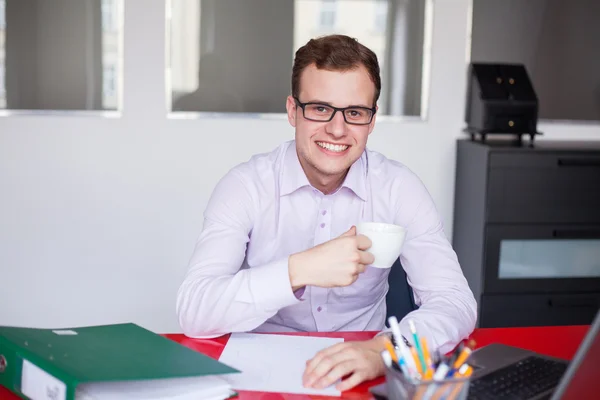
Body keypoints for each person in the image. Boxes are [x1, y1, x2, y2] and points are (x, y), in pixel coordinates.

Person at [176, 34, 477, 391]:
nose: (337, 129)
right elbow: (195, 311)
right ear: (292, 110)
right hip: (262, 377)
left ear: (372, 118)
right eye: (320, 108)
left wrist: (385, 350)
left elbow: (455, 301)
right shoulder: (245, 186)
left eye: (354, 112)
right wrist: (300, 269)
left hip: (363, 369)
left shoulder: (399, 188)